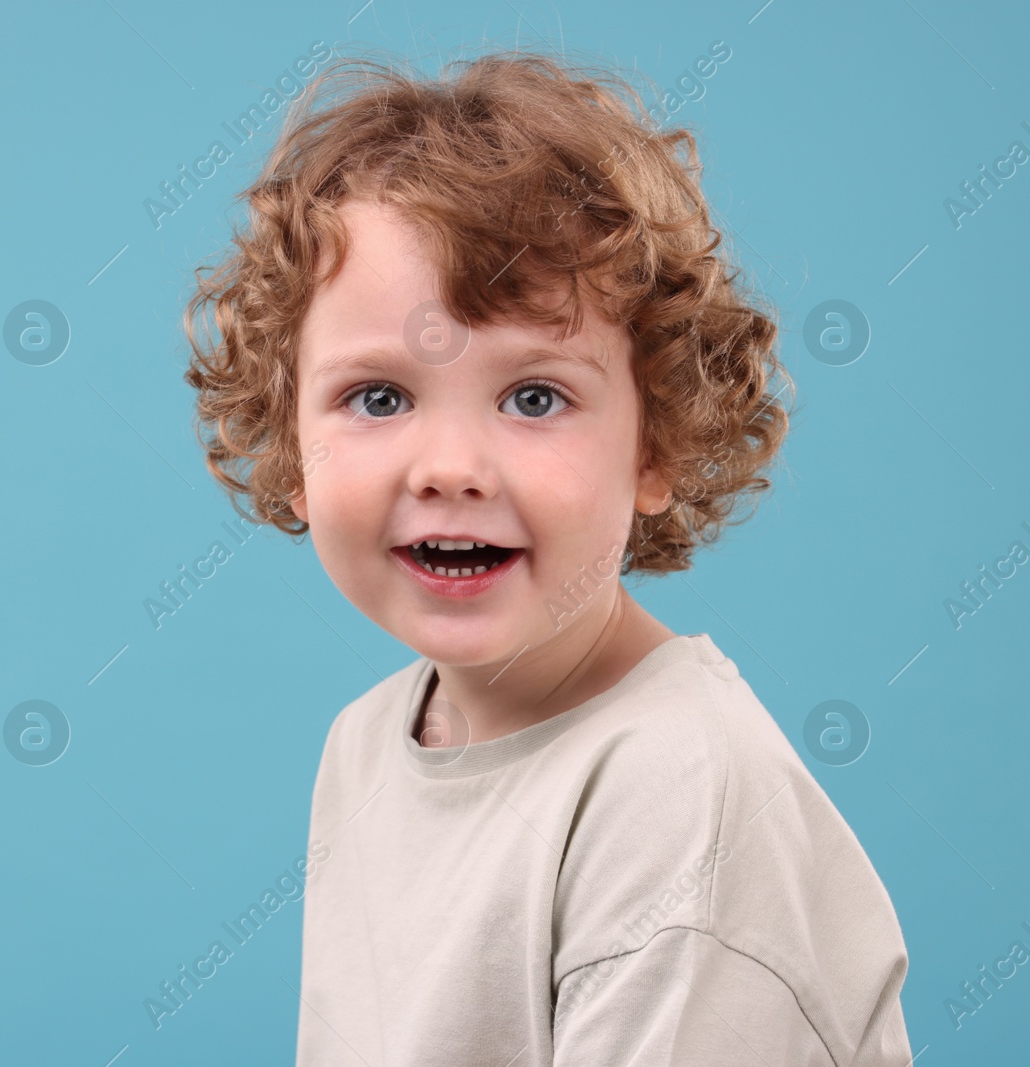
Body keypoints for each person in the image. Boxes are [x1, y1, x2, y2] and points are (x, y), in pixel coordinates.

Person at [181, 46, 912, 1066]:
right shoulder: (367, 746)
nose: (449, 466)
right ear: (286, 437)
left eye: (534, 397)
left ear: (654, 442)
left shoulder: (676, 801)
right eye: (378, 397)